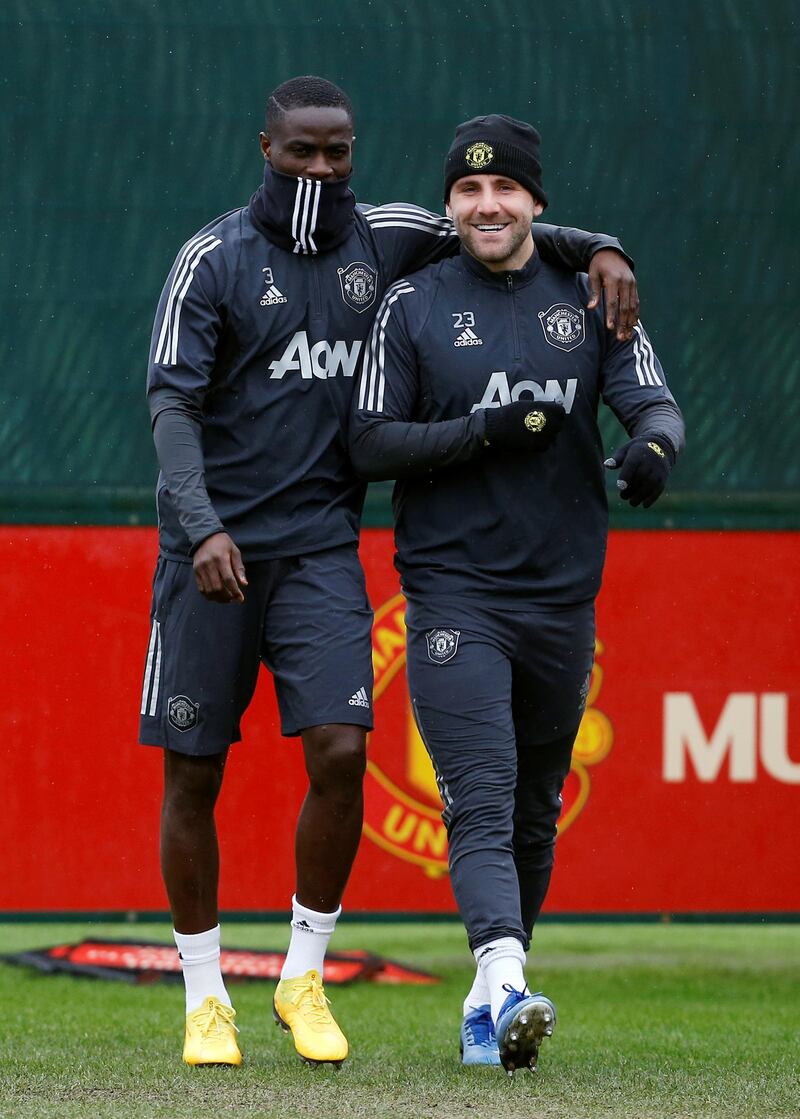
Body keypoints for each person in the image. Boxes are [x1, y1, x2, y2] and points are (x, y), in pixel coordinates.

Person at [140, 77, 642, 1069]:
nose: (320, 170)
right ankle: (204, 995)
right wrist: (199, 528)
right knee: (194, 773)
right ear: (265, 149)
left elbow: (495, 222)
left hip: (323, 548)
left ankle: (301, 977)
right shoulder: (213, 259)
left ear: (352, 155)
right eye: (301, 154)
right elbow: (170, 407)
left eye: (337, 154)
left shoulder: (386, 234)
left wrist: (602, 248)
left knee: (338, 754)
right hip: (211, 554)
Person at [349, 114, 684, 1076]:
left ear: (537, 200)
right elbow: (369, 443)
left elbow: (651, 399)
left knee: (537, 807)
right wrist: (485, 429)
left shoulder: (591, 293)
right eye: (467, 191)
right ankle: (503, 975)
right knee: (482, 799)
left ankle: (488, 1005)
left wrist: (657, 448)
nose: (485, 206)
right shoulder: (412, 304)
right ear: (450, 203)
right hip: (455, 593)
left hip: (563, 599)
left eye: (504, 191)